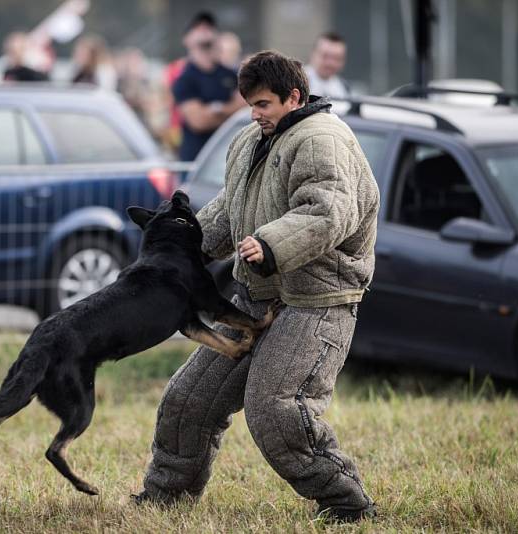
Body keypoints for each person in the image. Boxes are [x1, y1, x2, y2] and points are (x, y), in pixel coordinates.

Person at [132, 50, 380, 523]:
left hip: (316, 301)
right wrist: (180, 252)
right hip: (256, 298)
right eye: (249, 103)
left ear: (294, 96)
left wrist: (268, 245)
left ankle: (348, 504)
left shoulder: (322, 140)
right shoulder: (250, 140)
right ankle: (166, 498)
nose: (254, 114)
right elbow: (230, 209)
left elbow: (326, 211)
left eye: (264, 103)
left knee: (275, 410)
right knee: (189, 401)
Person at [172, 12, 244, 161]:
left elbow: (244, 107)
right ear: (187, 39)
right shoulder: (184, 79)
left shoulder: (231, 74)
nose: (204, 31)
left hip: (228, 158)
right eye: (198, 28)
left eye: (209, 27)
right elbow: (199, 121)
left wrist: (216, 109)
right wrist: (231, 112)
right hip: (197, 162)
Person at [304, 32, 350, 99]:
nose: (330, 63)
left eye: (336, 58)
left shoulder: (344, 88)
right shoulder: (295, 83)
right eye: (325, 56)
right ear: (313, 54)